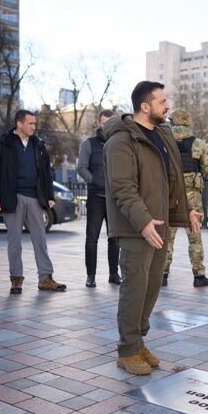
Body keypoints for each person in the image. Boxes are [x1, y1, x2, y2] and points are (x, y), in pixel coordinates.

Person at [103, 81, 201, 375]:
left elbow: (173, 180)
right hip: (136, 227)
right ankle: (127, 350)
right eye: (162, 101)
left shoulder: (162, 135)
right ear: (145, 107)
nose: (167, 105)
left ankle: (138, 340)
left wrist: (185, 214)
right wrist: (143, 220)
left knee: (152, 286)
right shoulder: (120, 141)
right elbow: (122, 187)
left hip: (160, 223)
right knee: (134, 288)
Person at [0, 110, 66, 294]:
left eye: (35, 124)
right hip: (12, 198)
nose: (34, 127)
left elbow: (46, 173)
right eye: (31, 124)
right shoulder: (3, 144)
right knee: (14, 242)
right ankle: (16, 279)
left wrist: (49, 196)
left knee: (40, 239)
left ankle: (45, 278)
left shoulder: (38, 145)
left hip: (35, 198)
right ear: (19, 124)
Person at [162, 108, 208, 287]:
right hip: (192, 196)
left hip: (170, 195)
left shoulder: (164, 140)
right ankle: (199, 275)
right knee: (194, 236)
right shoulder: (198, 143)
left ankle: (162, 275)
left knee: (167, 237)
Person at [77, 109, 121, 288]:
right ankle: (91, 276)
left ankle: (113, 274)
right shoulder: (89, 144)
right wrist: (94, 181)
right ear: (98, 123)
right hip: (95, 198)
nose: (107, 126)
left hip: (114, 200)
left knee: (115, 239)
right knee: (91, 239)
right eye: (104, 123)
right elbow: (81, 168)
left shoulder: (119, 144)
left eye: (111, 123)